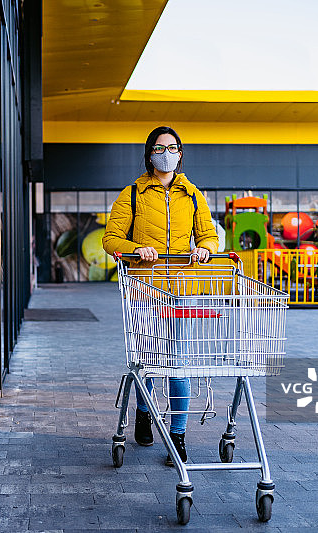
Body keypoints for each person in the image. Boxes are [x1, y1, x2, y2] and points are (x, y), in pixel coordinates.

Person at [102, 125, 219, 465]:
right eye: (158, 148)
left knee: (178, 364)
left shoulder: (194, 195)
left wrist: (205, 250)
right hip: (144, 290)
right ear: (149, 154)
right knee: (149, 362)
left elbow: (209, 235)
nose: (165, 153)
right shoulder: (133, 194)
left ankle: (177, 437)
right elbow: (111, 239)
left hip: (183, 292)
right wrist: (137, 248)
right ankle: (143, 412)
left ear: (180, 154)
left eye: (171, 148)